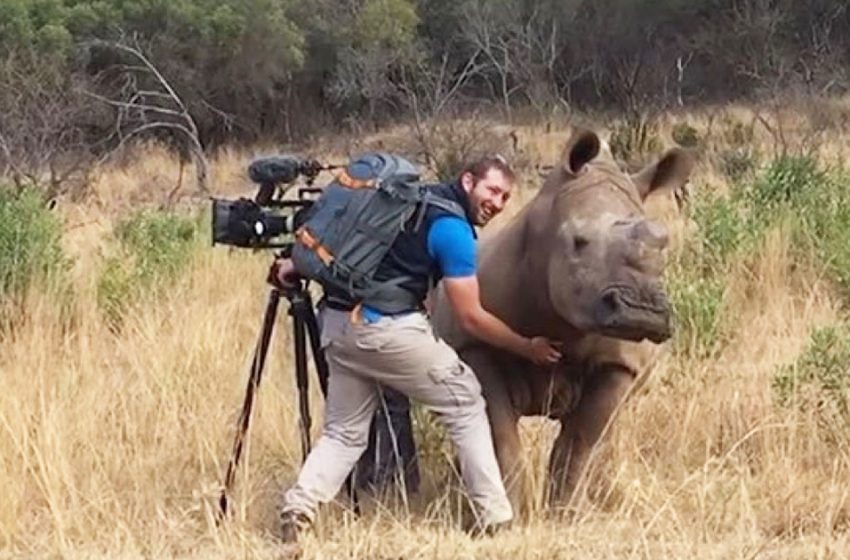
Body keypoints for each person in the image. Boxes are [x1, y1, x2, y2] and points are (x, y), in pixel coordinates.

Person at [273, 155, 561, 543]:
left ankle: (298, 509)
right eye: (492, 190)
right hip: (386, 329)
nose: (498, 203)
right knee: (465, 401)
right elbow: (470, 317)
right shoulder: (453, 230)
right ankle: (496, 518)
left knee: (344, 433)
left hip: (338, 326)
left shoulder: (408, 201)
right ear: (467, 181)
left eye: (506, 197)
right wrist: (527, 347)